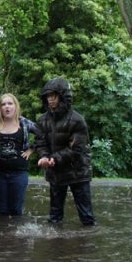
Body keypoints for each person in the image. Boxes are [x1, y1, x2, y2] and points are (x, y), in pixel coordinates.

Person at [33, 77, 96, 225]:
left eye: (54, 96)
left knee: (87, 217)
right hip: (56, 172)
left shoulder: (78, 120)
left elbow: (77, 148)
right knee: (54, 216)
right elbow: (40, 142)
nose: (51, 100)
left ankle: (87, 244)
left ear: (63, 97)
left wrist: (55, 158)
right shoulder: (42, 120)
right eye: (48, 96)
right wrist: (43, 156)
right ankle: (55, 246)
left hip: (78, 172)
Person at [0, 93, 41, 216]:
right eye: (3, 104)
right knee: (2, 210)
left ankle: (16, 235)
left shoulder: (23, 123)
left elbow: (42, 134)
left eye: (10, 103)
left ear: (15, 106)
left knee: (16, 210)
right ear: (0, 108)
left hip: (19, 173)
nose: (7, 107)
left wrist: (31, 150)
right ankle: (3, 234)